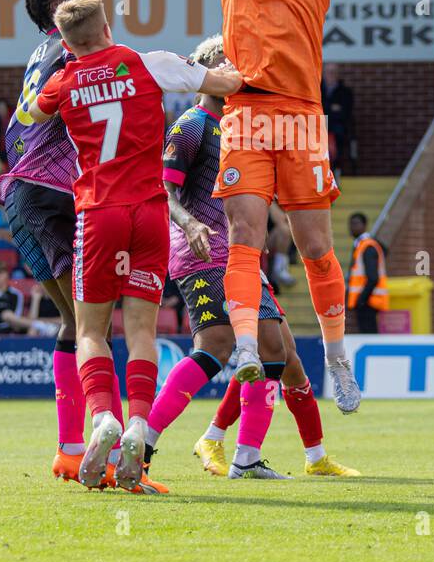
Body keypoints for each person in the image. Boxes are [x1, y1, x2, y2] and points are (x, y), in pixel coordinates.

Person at [22, 0, 243, 493]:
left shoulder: (63, 80)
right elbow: (227, 82)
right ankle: (139, 425)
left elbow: (34, 114)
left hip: (98, 213)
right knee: (143, 331)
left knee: (90, 331)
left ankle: (103, 418)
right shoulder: (149, 64)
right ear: (107, 26)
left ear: (65, 41)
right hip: (150, 213)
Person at [193, 0, 362, 413]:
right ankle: (243, 347)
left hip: (299, 116)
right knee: (244, 234)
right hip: (245, 112)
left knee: (316, 244)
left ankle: (337, 356)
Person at [151, 36, 356, 479]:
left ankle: (249, 456)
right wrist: (189, 224)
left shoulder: (241, 130)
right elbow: (162, 192)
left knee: (275, 349)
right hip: (201, 252)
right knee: (219, 346)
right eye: (227, 60)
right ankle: (146, 440)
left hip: (240, 259)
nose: (236, 69)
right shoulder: (190, 125)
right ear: (203, 68)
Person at [0, 0, 87, 481]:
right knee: (93, 324)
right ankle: (109, 447)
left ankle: (69, 448)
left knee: (75, 323)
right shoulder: (72, 48)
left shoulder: (40, 54)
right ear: (60, 4)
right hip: (53, 191)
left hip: (20, 192)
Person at [347, 211, 388, 334]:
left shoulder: (367, 246)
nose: (352, 227)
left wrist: (361, 300)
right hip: (367, 300)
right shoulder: (363, 244)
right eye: (351, 224)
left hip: (368, 301)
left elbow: (373, 277)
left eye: (356, 224)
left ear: (364, 225)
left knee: (369, 334)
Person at [323, 63, 355, 176]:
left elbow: (345, 113)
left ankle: (334, 175)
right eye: (328, 72)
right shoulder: (316, 89)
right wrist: (332, 109)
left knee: (338, 139)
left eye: (333, 72)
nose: (330, 74)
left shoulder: (345, 92)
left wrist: (326, 111)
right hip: (317, 127)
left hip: (336, 129)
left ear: (338, 74)